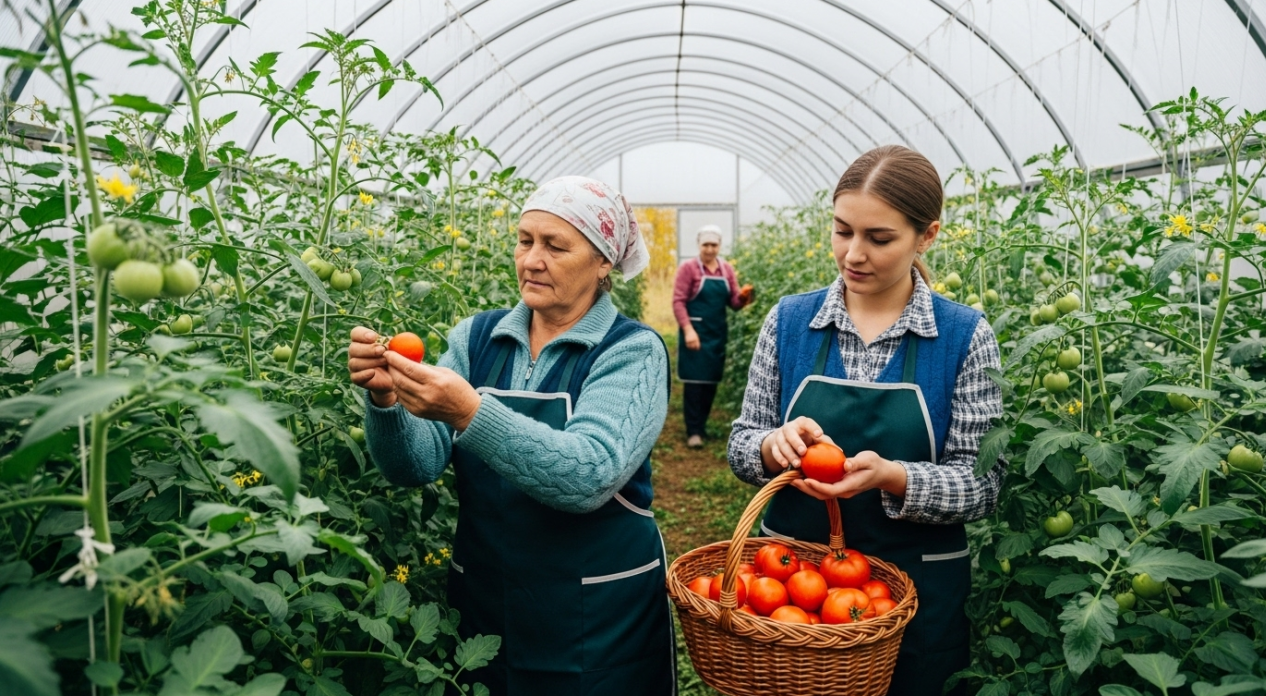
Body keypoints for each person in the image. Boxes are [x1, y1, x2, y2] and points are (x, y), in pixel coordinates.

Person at [348, 176, 675, 695]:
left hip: (596, 615)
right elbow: (415, 466)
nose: (531, 260)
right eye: (525, 241)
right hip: (488, 598)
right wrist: (387, 402)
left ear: (603, 263)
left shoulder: (630, 351)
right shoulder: (476, 338)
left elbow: (588, 475)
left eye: (555, 245)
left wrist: (469, 411)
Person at [727, 146, 1006, 695]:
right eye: (842, 231)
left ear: (926, 236)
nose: (853, 254)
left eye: (879, 239)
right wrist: (770, 445)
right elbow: (741, 444)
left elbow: (983, 485)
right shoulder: (789, 322)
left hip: (916, 591)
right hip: (793, 592)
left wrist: (893, 476)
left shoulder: (964, 337)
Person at [673, 224, 753, 447]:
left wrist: (744, 298)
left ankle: (702, 426)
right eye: (706, 244)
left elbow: (733, 303)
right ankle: (693, 431)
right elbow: (678, 301)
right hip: (696, 332)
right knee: (694, 383)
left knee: (710, 382)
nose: (710, 249)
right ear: (699, 245)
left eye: (714, 245)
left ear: (719, 246)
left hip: (716, 333)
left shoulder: (726, 269)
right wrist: (688, 330)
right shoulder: (688, 269)